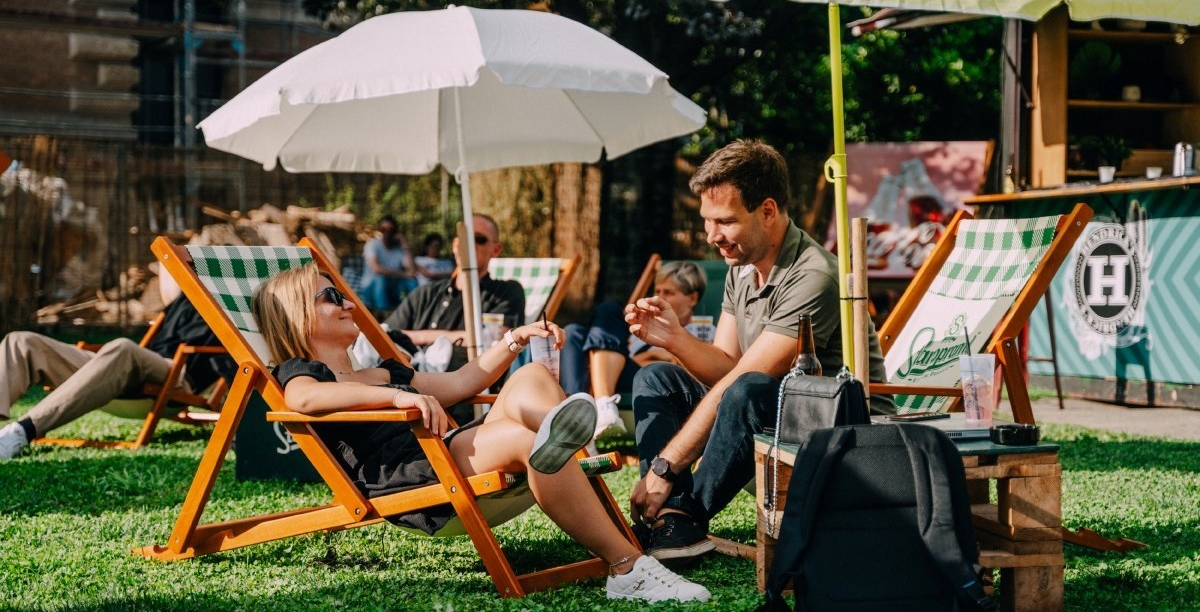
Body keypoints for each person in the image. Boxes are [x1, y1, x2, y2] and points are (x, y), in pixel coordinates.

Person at [251, 263, 710, 604]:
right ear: (296, 317)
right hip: (414, 477)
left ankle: (563, 438)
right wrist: (394, 398)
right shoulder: (302, 372)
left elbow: (459, 384)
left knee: (528, 379)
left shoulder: (381, 371)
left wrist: (516, 340)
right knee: (522, 442)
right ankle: (627, 563)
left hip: (443, 452)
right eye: (330, 296)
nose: (348, 302)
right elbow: (303, 401)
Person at [624, 139, 891, 567]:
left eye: (724, 221)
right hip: (775, 409)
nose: (711, 236)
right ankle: (667, 520)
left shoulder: (814, 275)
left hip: (841, 428)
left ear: (767, 211)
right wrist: (673, 338)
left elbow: (744, 381)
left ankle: (679, 514)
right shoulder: (743, 266)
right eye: (707, 221)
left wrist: (665, 466)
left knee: (749, 390)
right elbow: (723, 366)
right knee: (655, 378)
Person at [0, 272, 234, 460]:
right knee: (21, 341)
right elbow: (169, 274)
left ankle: (23, 431)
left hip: (176, 377)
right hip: (129, 367)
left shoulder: (234, 310)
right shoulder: (186, 298)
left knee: (123, 348)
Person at [559, 261, 708, 439]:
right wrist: (652, 355)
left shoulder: (705, 333)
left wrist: (653, 359)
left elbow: (694, 374)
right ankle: (594, 414)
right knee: (573, 332)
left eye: (668, 292)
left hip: (652, 384)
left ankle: (580, 424)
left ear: (692, 298)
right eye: (658, 291)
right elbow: (618, 359)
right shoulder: (645, 326)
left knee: (607, 311)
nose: (659, 298)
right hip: (616, 378)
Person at [384, 214, 525, 368]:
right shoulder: (427, 292)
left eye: (479, 239)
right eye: (465, 238)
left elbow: (498, 346)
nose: (470, 245)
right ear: (455, 244)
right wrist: (459, 337)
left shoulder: (506, 292)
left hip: (460, 386)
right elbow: (386, 334)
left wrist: (417, 336)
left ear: (496, 249)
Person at [360, 215, 418, 313]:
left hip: (392, 288)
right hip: (371, 289)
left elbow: (411, 270)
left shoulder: (399, 249)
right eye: (383, 229)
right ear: (380, 231)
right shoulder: (372, 245)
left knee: (411, 281)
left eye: (390, 229)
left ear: (396, 231)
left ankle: (416, 310)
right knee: (380, 278)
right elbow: (376, 269)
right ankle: (384, 314)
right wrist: (402, 274)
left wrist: (404, 245)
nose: (387, 232)